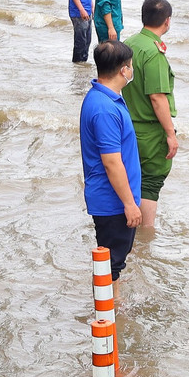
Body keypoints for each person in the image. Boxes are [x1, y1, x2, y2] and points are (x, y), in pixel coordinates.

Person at [79, 40, 142, 281]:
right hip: (113, 201)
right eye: (130, 66)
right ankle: (108, 314)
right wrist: (129, 204)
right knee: (110, 265)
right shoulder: (105, 108)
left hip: (114, 199)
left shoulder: (104, 98)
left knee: (113, 261)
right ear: (123, 70)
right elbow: (111, 162)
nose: (131, 70)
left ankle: (114, 308)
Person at [121, 0, 178, 230]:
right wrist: (170, 134)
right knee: (150, 184)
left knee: (131, 181)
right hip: (149, 132)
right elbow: (157, 97)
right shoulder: (154, 53)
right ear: (167, 21)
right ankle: (146, 239)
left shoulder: (128, 43)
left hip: (126, 126)